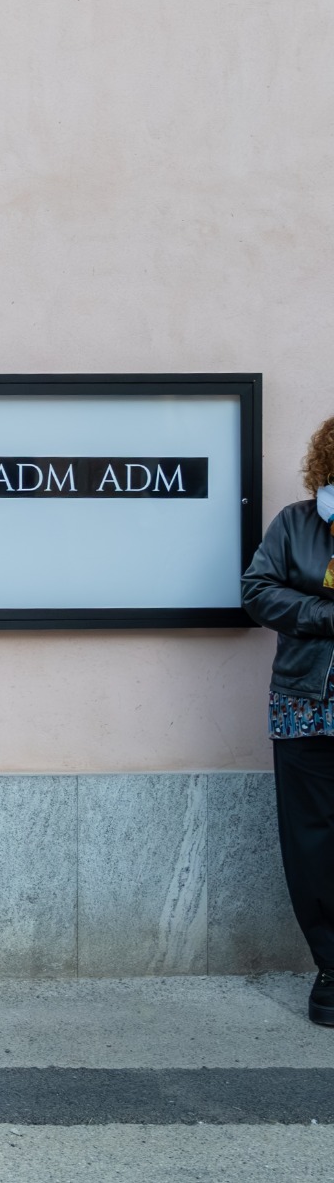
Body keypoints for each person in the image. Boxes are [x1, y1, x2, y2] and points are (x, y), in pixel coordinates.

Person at [243, 412, 334, 1027]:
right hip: (306, 707)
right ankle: (331, 969)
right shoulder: (297, 524)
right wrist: (324, 615)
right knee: (312, 843)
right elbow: (256, 590)